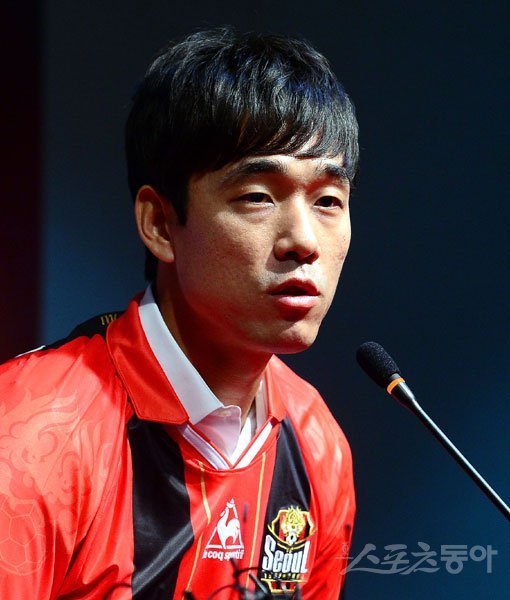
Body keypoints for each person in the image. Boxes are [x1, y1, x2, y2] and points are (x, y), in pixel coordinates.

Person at [0, 28, 358, 599]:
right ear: (161, 225)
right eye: (258, 197)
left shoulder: (318, 443)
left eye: (328, 201)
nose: (304, 241)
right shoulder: (28, 433)